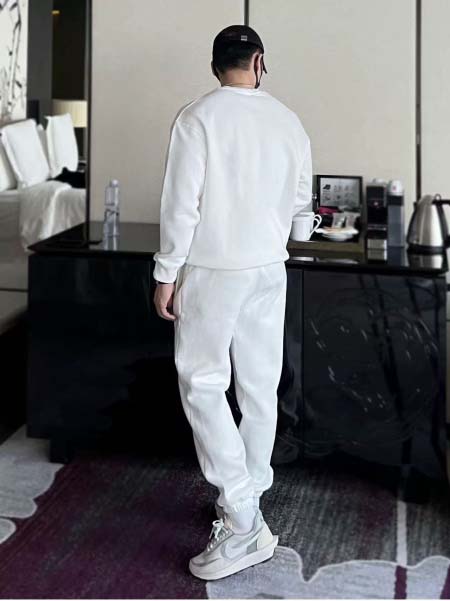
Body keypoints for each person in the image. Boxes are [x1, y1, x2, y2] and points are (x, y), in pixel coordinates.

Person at [153, 24, 312, 580]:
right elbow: (302, 210)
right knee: (259, 386)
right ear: (259, 62)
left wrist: (166, 272)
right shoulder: (288, 120)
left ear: (215, 64)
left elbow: (182, 204)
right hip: (269, 269)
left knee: (203, 383)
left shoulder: (197, 117)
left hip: (215, 269)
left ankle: (242, 515)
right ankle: (247, 499)